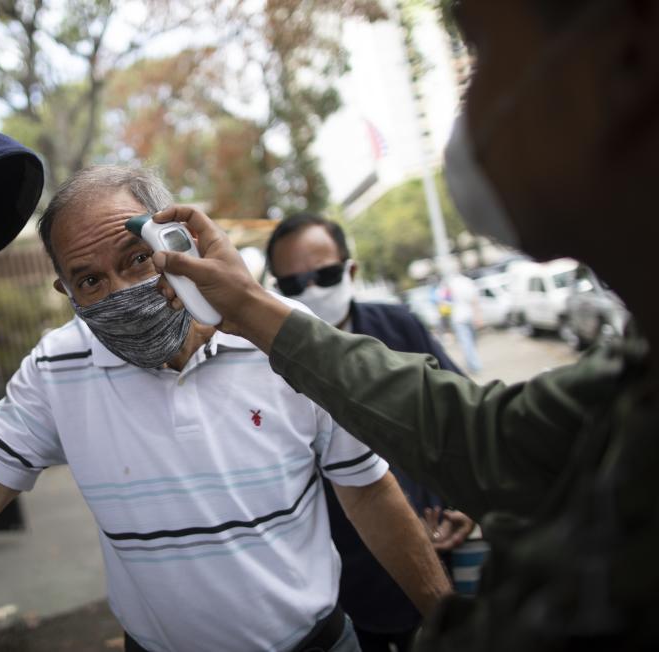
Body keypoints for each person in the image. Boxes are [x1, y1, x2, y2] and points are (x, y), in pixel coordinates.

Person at [149, 2, 659, 648]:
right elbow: (484, 438)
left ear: (626, 57)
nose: (469, 106)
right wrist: (249, 309)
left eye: (479, 52)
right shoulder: (633, 379)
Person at [0, 166, 452, 652]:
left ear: (174, 239)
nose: (121, 290)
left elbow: (369, 491)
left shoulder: (283, 338)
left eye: (135, 259)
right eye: (91, 280)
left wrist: (449, 624)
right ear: (66, 294)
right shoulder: (54, 371)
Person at [266, 213, 477, 652]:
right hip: (342, 586)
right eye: (293, 284)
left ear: (350, 269)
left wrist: (466, 502)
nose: (311, 291)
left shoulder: (399, 326)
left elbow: (462, 423)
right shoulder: (265, 360)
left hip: (433, 552)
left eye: (323, 274)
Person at [435, 270, 483, 375]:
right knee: (471, 341)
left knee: (467, 342)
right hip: (469, 315)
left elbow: (443, 304)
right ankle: (474, 364)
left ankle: (474, 364)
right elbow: (475, 300)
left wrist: (445, 322)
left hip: (457, 318)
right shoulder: (466, 282)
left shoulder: (447, 286)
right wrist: (478, 316)